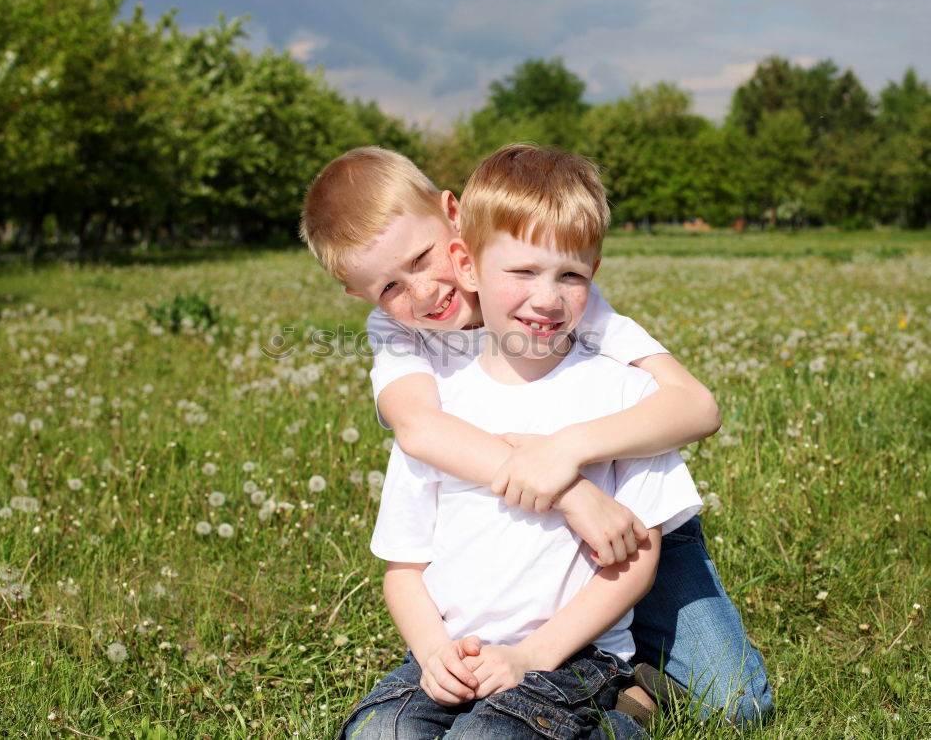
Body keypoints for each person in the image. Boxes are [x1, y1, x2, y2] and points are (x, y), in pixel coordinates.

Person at [300, 146, 772, 725]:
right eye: (390, 288)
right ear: (362, 296)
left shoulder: (551, 294)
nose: (421, 293)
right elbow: (420, 428)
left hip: (632, 523)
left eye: (423, 259)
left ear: (455, 217)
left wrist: (567, 453)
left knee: (735, 704)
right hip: (533, 529)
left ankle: (618, 678)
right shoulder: (399, 332)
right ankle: (602, 675)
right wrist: (569, 491)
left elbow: (695, 406)